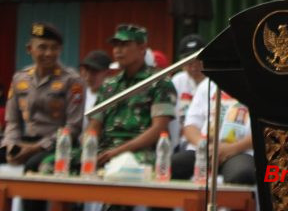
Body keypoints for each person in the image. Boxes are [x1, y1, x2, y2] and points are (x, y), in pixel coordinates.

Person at [1, 23, 84, 211]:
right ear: (30, 49)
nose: (49, 53)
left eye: (54, 48)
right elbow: (12, 121)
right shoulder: (20, 78)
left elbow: (73, 127)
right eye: (43, 47)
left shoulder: (72, 80)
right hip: (24, 140)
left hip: (56, 145)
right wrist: (11, 146)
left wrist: (34, 148)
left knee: (33, 164)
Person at [87, 24, 176, 167]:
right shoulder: (109, 84)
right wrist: (89, 149)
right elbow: (94, 124)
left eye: (124, 45)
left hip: (140, 151)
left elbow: (159, 129)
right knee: (57, 159)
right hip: (105, 148)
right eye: (116, 45)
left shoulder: (159, 82)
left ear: (142, 48)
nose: (118, 50)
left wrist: (117, 152)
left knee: (125, 166)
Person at [171, 80, 254, 184]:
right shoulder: (208, 84)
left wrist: (230, 149)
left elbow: (267, 130)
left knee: (242, 173)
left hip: (240, 151)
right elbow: (190, 126)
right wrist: (206, 147)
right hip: (203, 150)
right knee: (171, 165)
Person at [170, 34, 207, 148]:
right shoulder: (177, 80)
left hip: (206, 140)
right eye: (189, 61)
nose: (194, 66)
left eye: (198, 60)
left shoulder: (214, 82)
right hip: (180, 142)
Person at [79, 50, 112, 130]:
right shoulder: (78, 92)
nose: (88, 76)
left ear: (107, 73)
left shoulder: (111, 96)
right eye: (86, 70)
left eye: (94, 72)